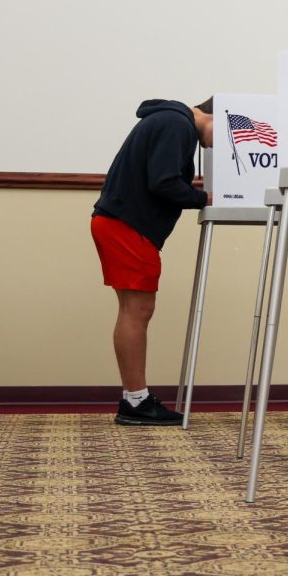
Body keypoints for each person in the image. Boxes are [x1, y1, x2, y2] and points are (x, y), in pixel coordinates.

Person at [90, 98, 214, 425]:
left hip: (121, 222)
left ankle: (135, 398)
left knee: (135, 309)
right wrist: (206, 198)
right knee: (137, 310)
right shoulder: (178, 125)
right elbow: (164, 182)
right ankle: (135, 402)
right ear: (214, 116)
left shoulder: (169, 122)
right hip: (127, 226)